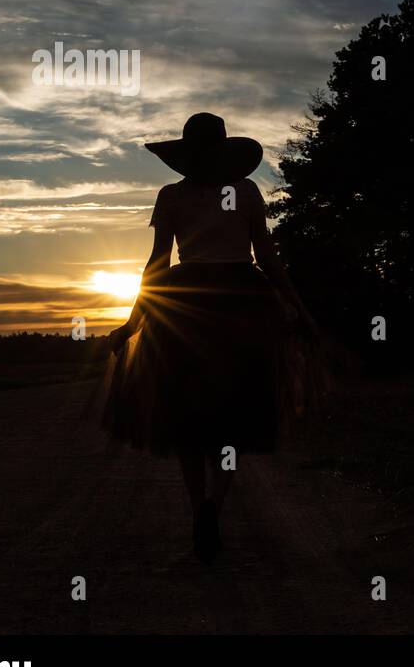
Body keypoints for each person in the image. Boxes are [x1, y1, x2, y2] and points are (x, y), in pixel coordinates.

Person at [99, 112, 321, 562]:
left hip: (191, 303)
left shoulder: (172, 196)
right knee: (232, 419)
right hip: (241, 300)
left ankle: (200, 508)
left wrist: (133, 322)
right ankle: (213, 508)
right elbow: (269, 259)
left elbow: (157, 266)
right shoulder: (244, 191)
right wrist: (298, 308)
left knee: (188, 421)